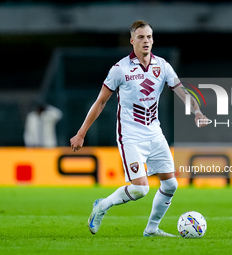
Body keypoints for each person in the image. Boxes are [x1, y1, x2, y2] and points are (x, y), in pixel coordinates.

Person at [70, 20, 208, 237]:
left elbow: (182, 91)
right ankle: (102, 206)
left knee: (171, 185)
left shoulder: (162, 66)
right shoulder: (120, 69)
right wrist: (81, 133)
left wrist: (198, 112)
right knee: (141, 189)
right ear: (132, 40)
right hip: (131, 136)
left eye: (150, 37)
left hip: (155, 133)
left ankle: (152, 229)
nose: (146, 41)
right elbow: (100, 102)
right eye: (142, 37)